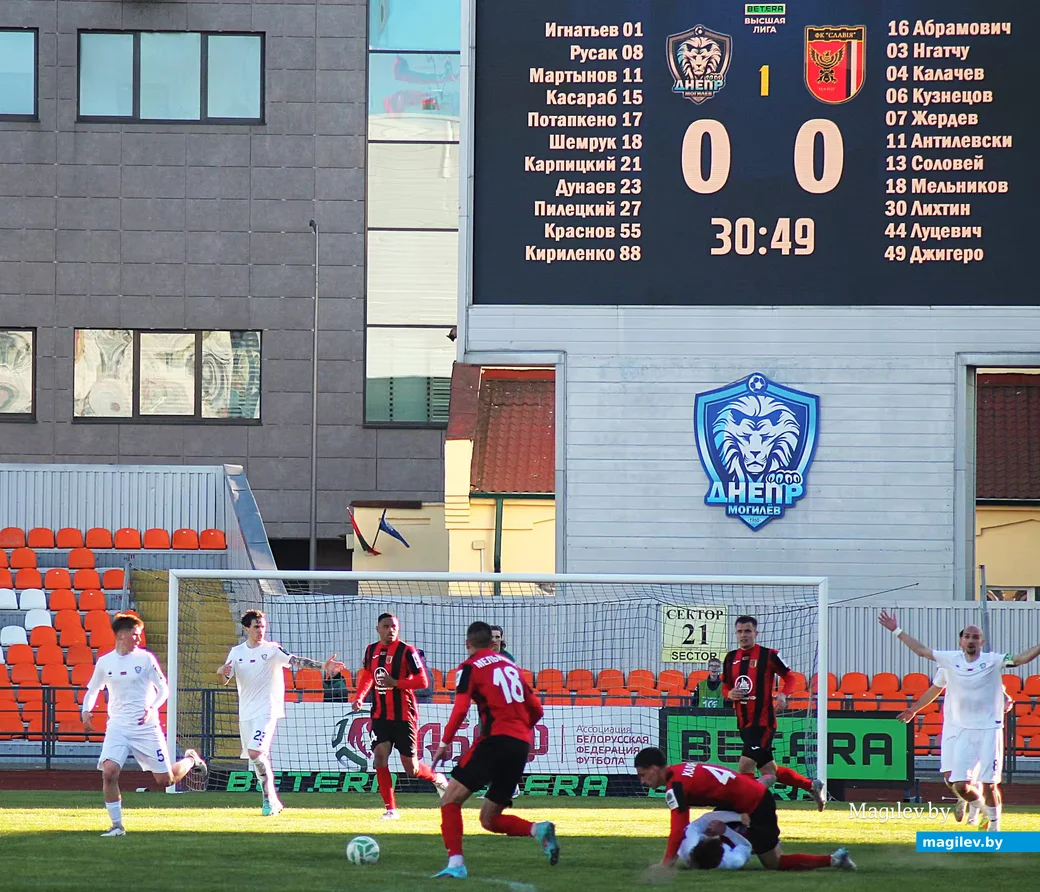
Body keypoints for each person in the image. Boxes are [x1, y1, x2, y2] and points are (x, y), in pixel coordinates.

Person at [880, 610, 1040, 831]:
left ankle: (994, 827)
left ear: (982, 642)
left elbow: (1021, 659)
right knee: (958, 784)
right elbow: (921, 651)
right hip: (960, 729)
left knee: (989, 784)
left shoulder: (992, 661)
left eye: (975, 637)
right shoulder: (949, 660)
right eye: (967, 636)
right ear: (961, 641)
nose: (971, 640)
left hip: (988, 730)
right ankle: (979, 807)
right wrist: (896, 630)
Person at [430, 621, 559, 879]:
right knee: (489, 820)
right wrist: (519, 732)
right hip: (520, 744)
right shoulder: (512, 667)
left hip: (495, 739)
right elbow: (537, 710)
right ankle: (538, 829)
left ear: (468, 644)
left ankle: (456, 864)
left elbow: (461, 709)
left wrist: (444, 743)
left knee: (450, 800)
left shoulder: (468, 667)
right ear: (493, 643)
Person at [81, 612, 208, 836]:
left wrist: (153, 707)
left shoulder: (146, 659)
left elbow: (164, 689)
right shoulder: (105, 662)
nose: (139, 639)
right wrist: (86, 711)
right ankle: (117, 825)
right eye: (135, 635)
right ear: (121, 635)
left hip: (146, 727)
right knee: (109, 772)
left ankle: (191, 759)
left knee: (165, 780)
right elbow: (93, 690)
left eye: (139, 635)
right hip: (118, 727)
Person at [633, 747, 855, 872]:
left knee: (774, 863)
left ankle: (835, 859)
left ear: (654, 769)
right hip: (740, 797)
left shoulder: (676, 787)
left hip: (756, 803)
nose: (643, 781)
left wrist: (665, 864)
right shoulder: (681, 769)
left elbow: (678, 828)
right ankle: (764, 781)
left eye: (643, 775)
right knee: (712, 836)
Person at [218, 609, 345, 815]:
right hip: (246, 714)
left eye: (263, 626)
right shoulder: (236, 652)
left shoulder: (273, 649)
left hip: (268, 710)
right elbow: (225, 680)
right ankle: (271, 799)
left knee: (255, 752)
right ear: (247, 628)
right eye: (256, 626)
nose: (261, 630)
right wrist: (220, 673)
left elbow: (296, 660)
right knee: (258, 758)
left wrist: (323, 665)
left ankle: (269, 800)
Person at [722, 615, 825, 808]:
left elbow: (790, 678)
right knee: (769, 770)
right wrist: (730, 694)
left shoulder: (768, 655)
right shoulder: (730, 658)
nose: (743, 635)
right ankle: (811, 785)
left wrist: (783, 695)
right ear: (735, 633)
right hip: (743, 722)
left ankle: (750, 808)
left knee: (745, 766)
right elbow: (725, 687)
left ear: (756, 633)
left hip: (763, 722)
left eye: (747, 631)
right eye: (740, 631)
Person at [352, 613, 449, 818]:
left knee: (411, 769)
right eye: (386, 626)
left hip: (404, 715)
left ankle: (438, 779)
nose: (390, 630)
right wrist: (360, 696)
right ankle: (391, 809)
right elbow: (369, 674)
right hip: (380, 715)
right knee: (379, 756)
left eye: (394, 626)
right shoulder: (371, 650)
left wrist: (395, 683)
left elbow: (423, 682)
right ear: (378, 629)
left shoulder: (407, 651)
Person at [900, 667, 1013, 826]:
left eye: (973, 639)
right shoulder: (948, 666)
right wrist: (913, 709)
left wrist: (1006, 698)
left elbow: (998, 688)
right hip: (951, 730)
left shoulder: (985, 665)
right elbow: (935, 689)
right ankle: (983, 808)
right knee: (950, 779)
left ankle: (984, 820)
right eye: (966, 639)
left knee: (973, 781)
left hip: (977, 730)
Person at [677, 809, 751, 870]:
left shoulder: (690, 843)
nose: (713, 834)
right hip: (734, 836)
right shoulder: (733, 860)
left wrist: (739, 817)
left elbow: (705, 819)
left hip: (702, 834)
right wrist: (726, 830)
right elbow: (746, 846)